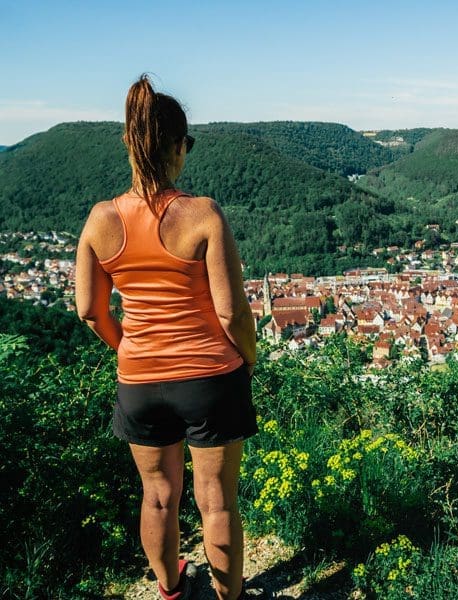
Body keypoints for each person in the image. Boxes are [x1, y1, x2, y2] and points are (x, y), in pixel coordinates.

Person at [76, 74, 257, 600]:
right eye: (187, 144)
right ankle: (232, 596)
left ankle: (171, 588)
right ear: (178, 147)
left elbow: (89, 309)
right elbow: (232, 312)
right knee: (217, 502)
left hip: (140, 381)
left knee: (157, 496)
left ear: (132, 145)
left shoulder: (100, 220)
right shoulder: (203, 214)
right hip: (209, 376)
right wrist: (248, 358)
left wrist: (126, 348)